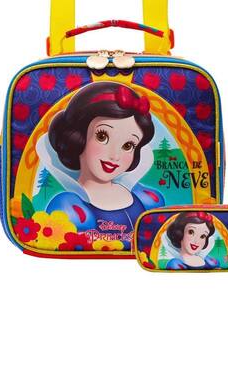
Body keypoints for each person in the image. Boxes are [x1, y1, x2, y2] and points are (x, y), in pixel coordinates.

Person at [36, 81, 164, 250]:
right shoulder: (69, 206)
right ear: (77, 137)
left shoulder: (146, 198)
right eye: (102, 136)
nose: (115, 156)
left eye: (128, 146)